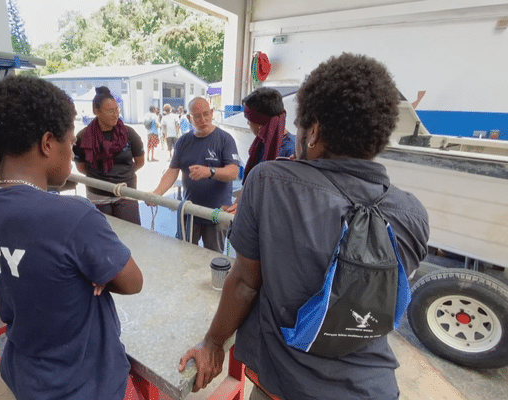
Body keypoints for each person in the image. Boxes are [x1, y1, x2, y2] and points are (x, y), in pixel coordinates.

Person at [178, 53, 430, 399]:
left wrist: (212, 342)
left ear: (313, 131)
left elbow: (244, 285)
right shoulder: (412, 213)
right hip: (373, 387)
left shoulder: (270, 182)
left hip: (286, 385)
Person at [0, 75, 143, 400]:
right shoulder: (72, 216)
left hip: (27, 376)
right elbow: (133, 281)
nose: (73, 151)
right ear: (48, 143)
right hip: (84, 383)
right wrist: (96, 275)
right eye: (70, 142)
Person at [151, 97, 240, 253]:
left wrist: (210, 172)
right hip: (190, 212)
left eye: (206, 114)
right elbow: (173, 171)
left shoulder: (225, 139)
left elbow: (233, 172)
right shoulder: (183, 142)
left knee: (212, 258)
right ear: (189, 118)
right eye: (197, 116)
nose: (203, 119)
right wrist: (157, 193)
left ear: (212, 113)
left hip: (216, 214)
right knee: (184, 254)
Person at [73, 87, 145, 225]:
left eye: (117, 110)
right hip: (97, 194)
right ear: (96, 111)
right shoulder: (83, 137)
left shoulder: (129, 133)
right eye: (110, 111)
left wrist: (123, 175)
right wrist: (101, 178)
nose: (115, 114)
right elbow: (81, 167)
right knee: (103, 237)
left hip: (126, 192)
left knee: (131, 235)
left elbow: (140, 161)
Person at [223, 87, 296, 214]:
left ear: (260, 124)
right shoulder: (262, 144)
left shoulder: (291, 151)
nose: (248, 125)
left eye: (249, 121)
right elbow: (249, 182)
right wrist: (236, 205)